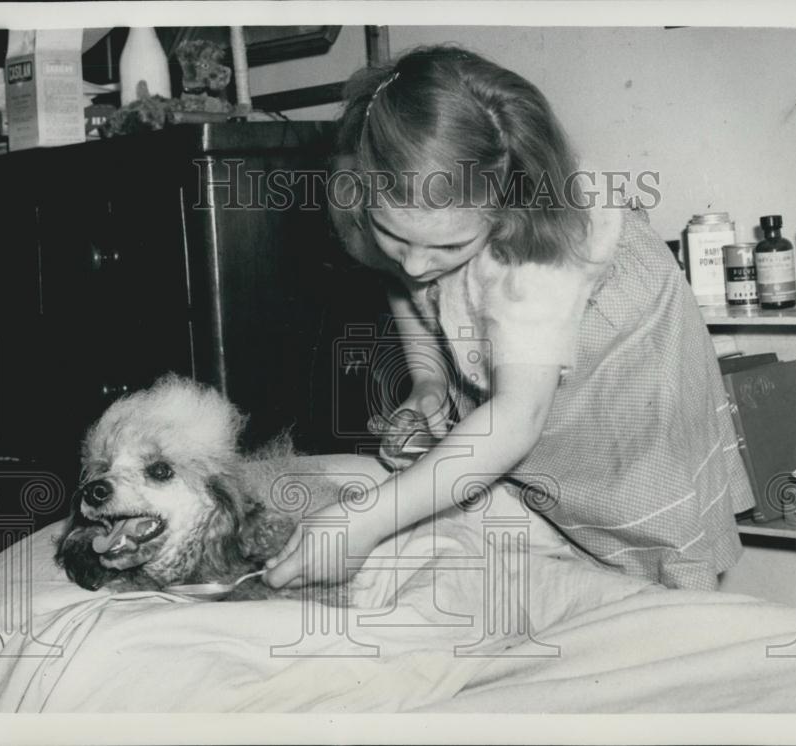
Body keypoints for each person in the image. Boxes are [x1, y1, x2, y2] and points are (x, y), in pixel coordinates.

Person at [264, 45, 754, 592]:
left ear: (502, 209)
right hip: (510, 351)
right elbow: (400, 280)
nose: (417, 264)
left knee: (641, 509)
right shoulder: (370, 196)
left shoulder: (532, 256)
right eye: (394, 235)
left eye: (447, 247)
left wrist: (365, 520)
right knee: (508, 501)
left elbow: (516, 417)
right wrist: (428, 379)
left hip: (622, 352)